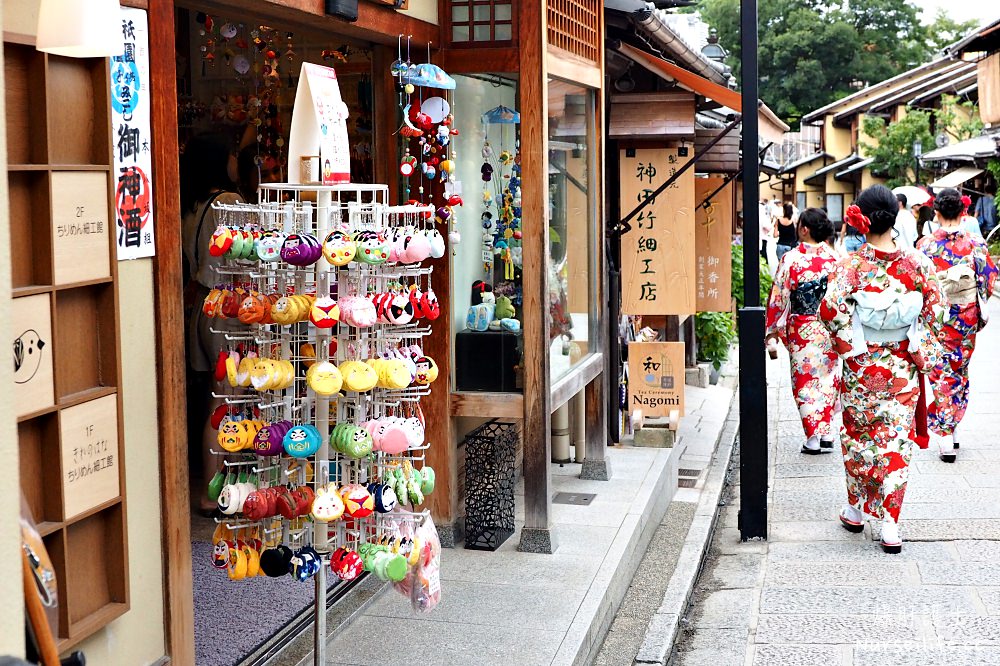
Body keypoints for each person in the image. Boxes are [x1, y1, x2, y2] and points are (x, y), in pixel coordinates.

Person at [820, 185, 945, 554]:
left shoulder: (850, 266)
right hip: (903, 367)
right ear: (895, 216)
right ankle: (889, 524)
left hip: (862, 366)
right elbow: (936, 311)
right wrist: (919, 349)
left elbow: (830, 312)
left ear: (861, 219)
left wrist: (852, 348)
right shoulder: (918, 264)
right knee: (893, 441)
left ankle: (856, 509)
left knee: (858, 437)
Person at [180, 132, 244, 514]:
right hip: (225, 310)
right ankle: (213, 490)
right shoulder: (228, 203)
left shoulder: (191, 204)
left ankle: (213, 486)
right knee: (226, 402)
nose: (236, 160)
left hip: (201, 309)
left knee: (213, 398)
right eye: (232, 153)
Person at [916, 188, 998, 463]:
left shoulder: (926, 245)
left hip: (937, 316)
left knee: (940, 372)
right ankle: (952, 427)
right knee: (959, 370)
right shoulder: (975, 243)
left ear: (936, 212)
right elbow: (987, 279)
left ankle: (946, 434)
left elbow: (920, 284)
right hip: (965, 316)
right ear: (963, 212)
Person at [766, 208, 841, 455]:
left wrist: (771, 327)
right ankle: (827, 432)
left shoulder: (791, 259)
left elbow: (779, 296)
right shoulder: (834, 258)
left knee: (805, 381)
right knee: (828, 378)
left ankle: (813, 438)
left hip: (802, 328)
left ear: (805, 229)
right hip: (829, 327)